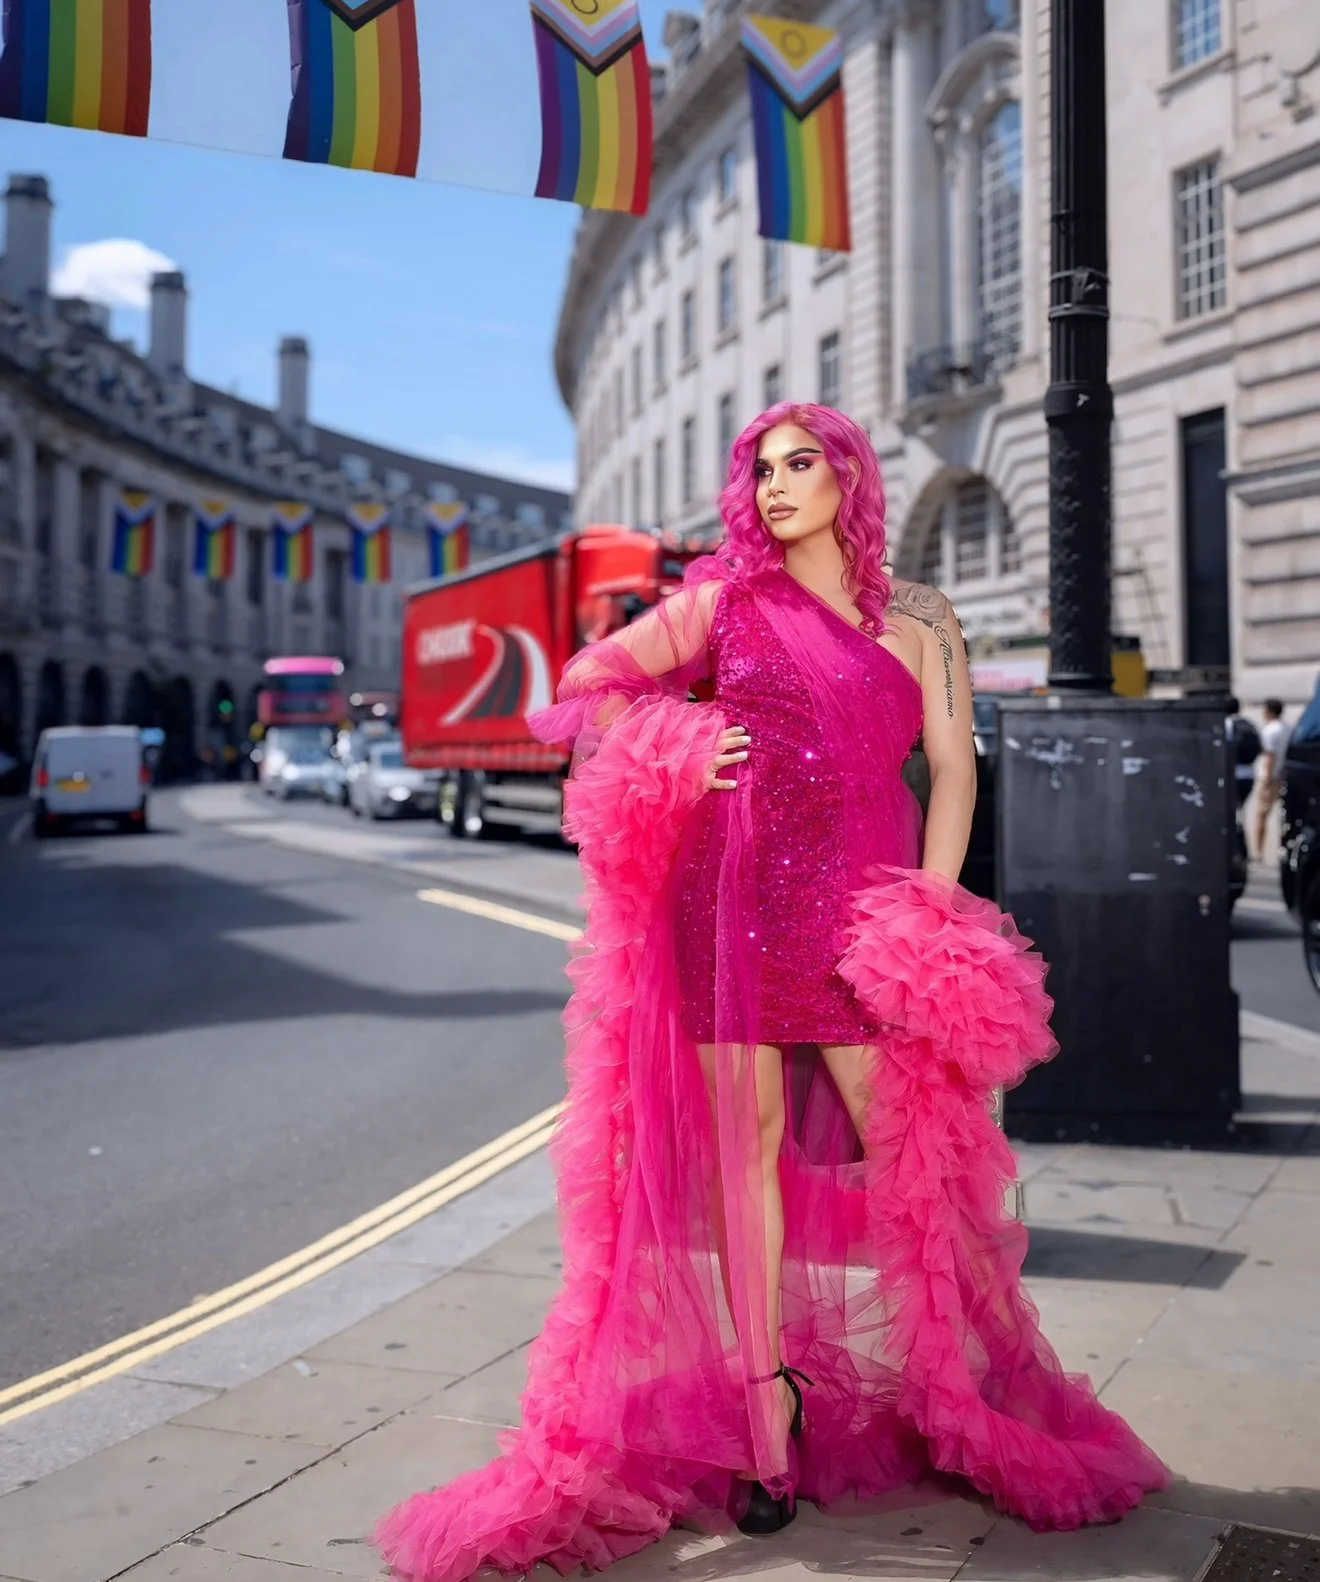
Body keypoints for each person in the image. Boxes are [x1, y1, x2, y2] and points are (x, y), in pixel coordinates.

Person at [375, 404, 1167, 1581]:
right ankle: (764, 1415)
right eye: (763, 467)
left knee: (917, 1160)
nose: (779, 483)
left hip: (862, 915)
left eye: (805, 463)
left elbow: (954, 769)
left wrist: (924, 913)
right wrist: (679, 737)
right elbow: (590, 677)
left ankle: (976, 1381)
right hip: (732, 909)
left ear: (851, 479)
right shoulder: (724, 602)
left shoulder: (920, 618)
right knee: (744, 1159)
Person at [1253, 698, 1291, 862]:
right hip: (1284, 774)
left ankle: (1258, 851)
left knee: (1261, 815)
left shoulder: (1269, 731)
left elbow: (1270, 755)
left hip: (1269, 776)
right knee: (1284, 815)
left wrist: (1267, 776)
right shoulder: (1287, 729)